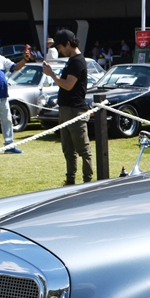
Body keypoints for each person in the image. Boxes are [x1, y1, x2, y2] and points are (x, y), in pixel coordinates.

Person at [38, 29, 92, 184]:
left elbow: (68, 85)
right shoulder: (72, 60)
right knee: (68, 150)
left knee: (83, 150)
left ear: (68, 44)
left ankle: (88, 182)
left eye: (60, 47)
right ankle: (70, 181)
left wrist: (52, 75)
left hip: (75, 110)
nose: (59, 51)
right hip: (66, 109)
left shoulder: (77, 61)